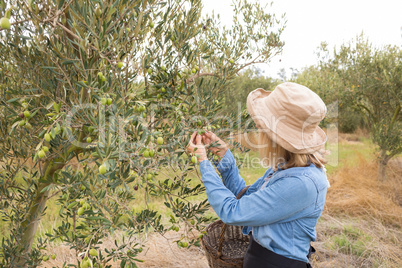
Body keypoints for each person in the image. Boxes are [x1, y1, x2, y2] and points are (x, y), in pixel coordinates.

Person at [187, 82, 330, 268]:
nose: (257, 131)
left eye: (260, 127)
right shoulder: (286, 167)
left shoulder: (302, 183)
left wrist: (204, 163)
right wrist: (223, 155)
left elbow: (233, 212)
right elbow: (245, 197)